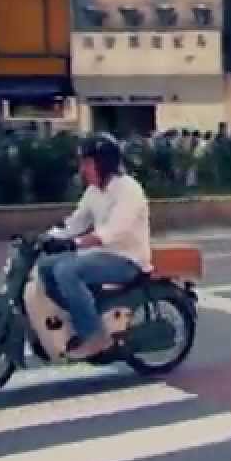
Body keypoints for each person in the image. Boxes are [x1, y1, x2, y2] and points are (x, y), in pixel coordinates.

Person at [40, 133, 153, 359]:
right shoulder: (94, 191)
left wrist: (75, 242)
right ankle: (82, 315)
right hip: (101, 255)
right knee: (46, 266)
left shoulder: (128, 189)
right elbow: (76, 221)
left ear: (104, 164)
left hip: (127, 259)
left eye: (88, 163)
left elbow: (113, 231)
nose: (83, 170)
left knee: (67, 270)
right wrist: (47, 237)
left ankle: (94, 336)